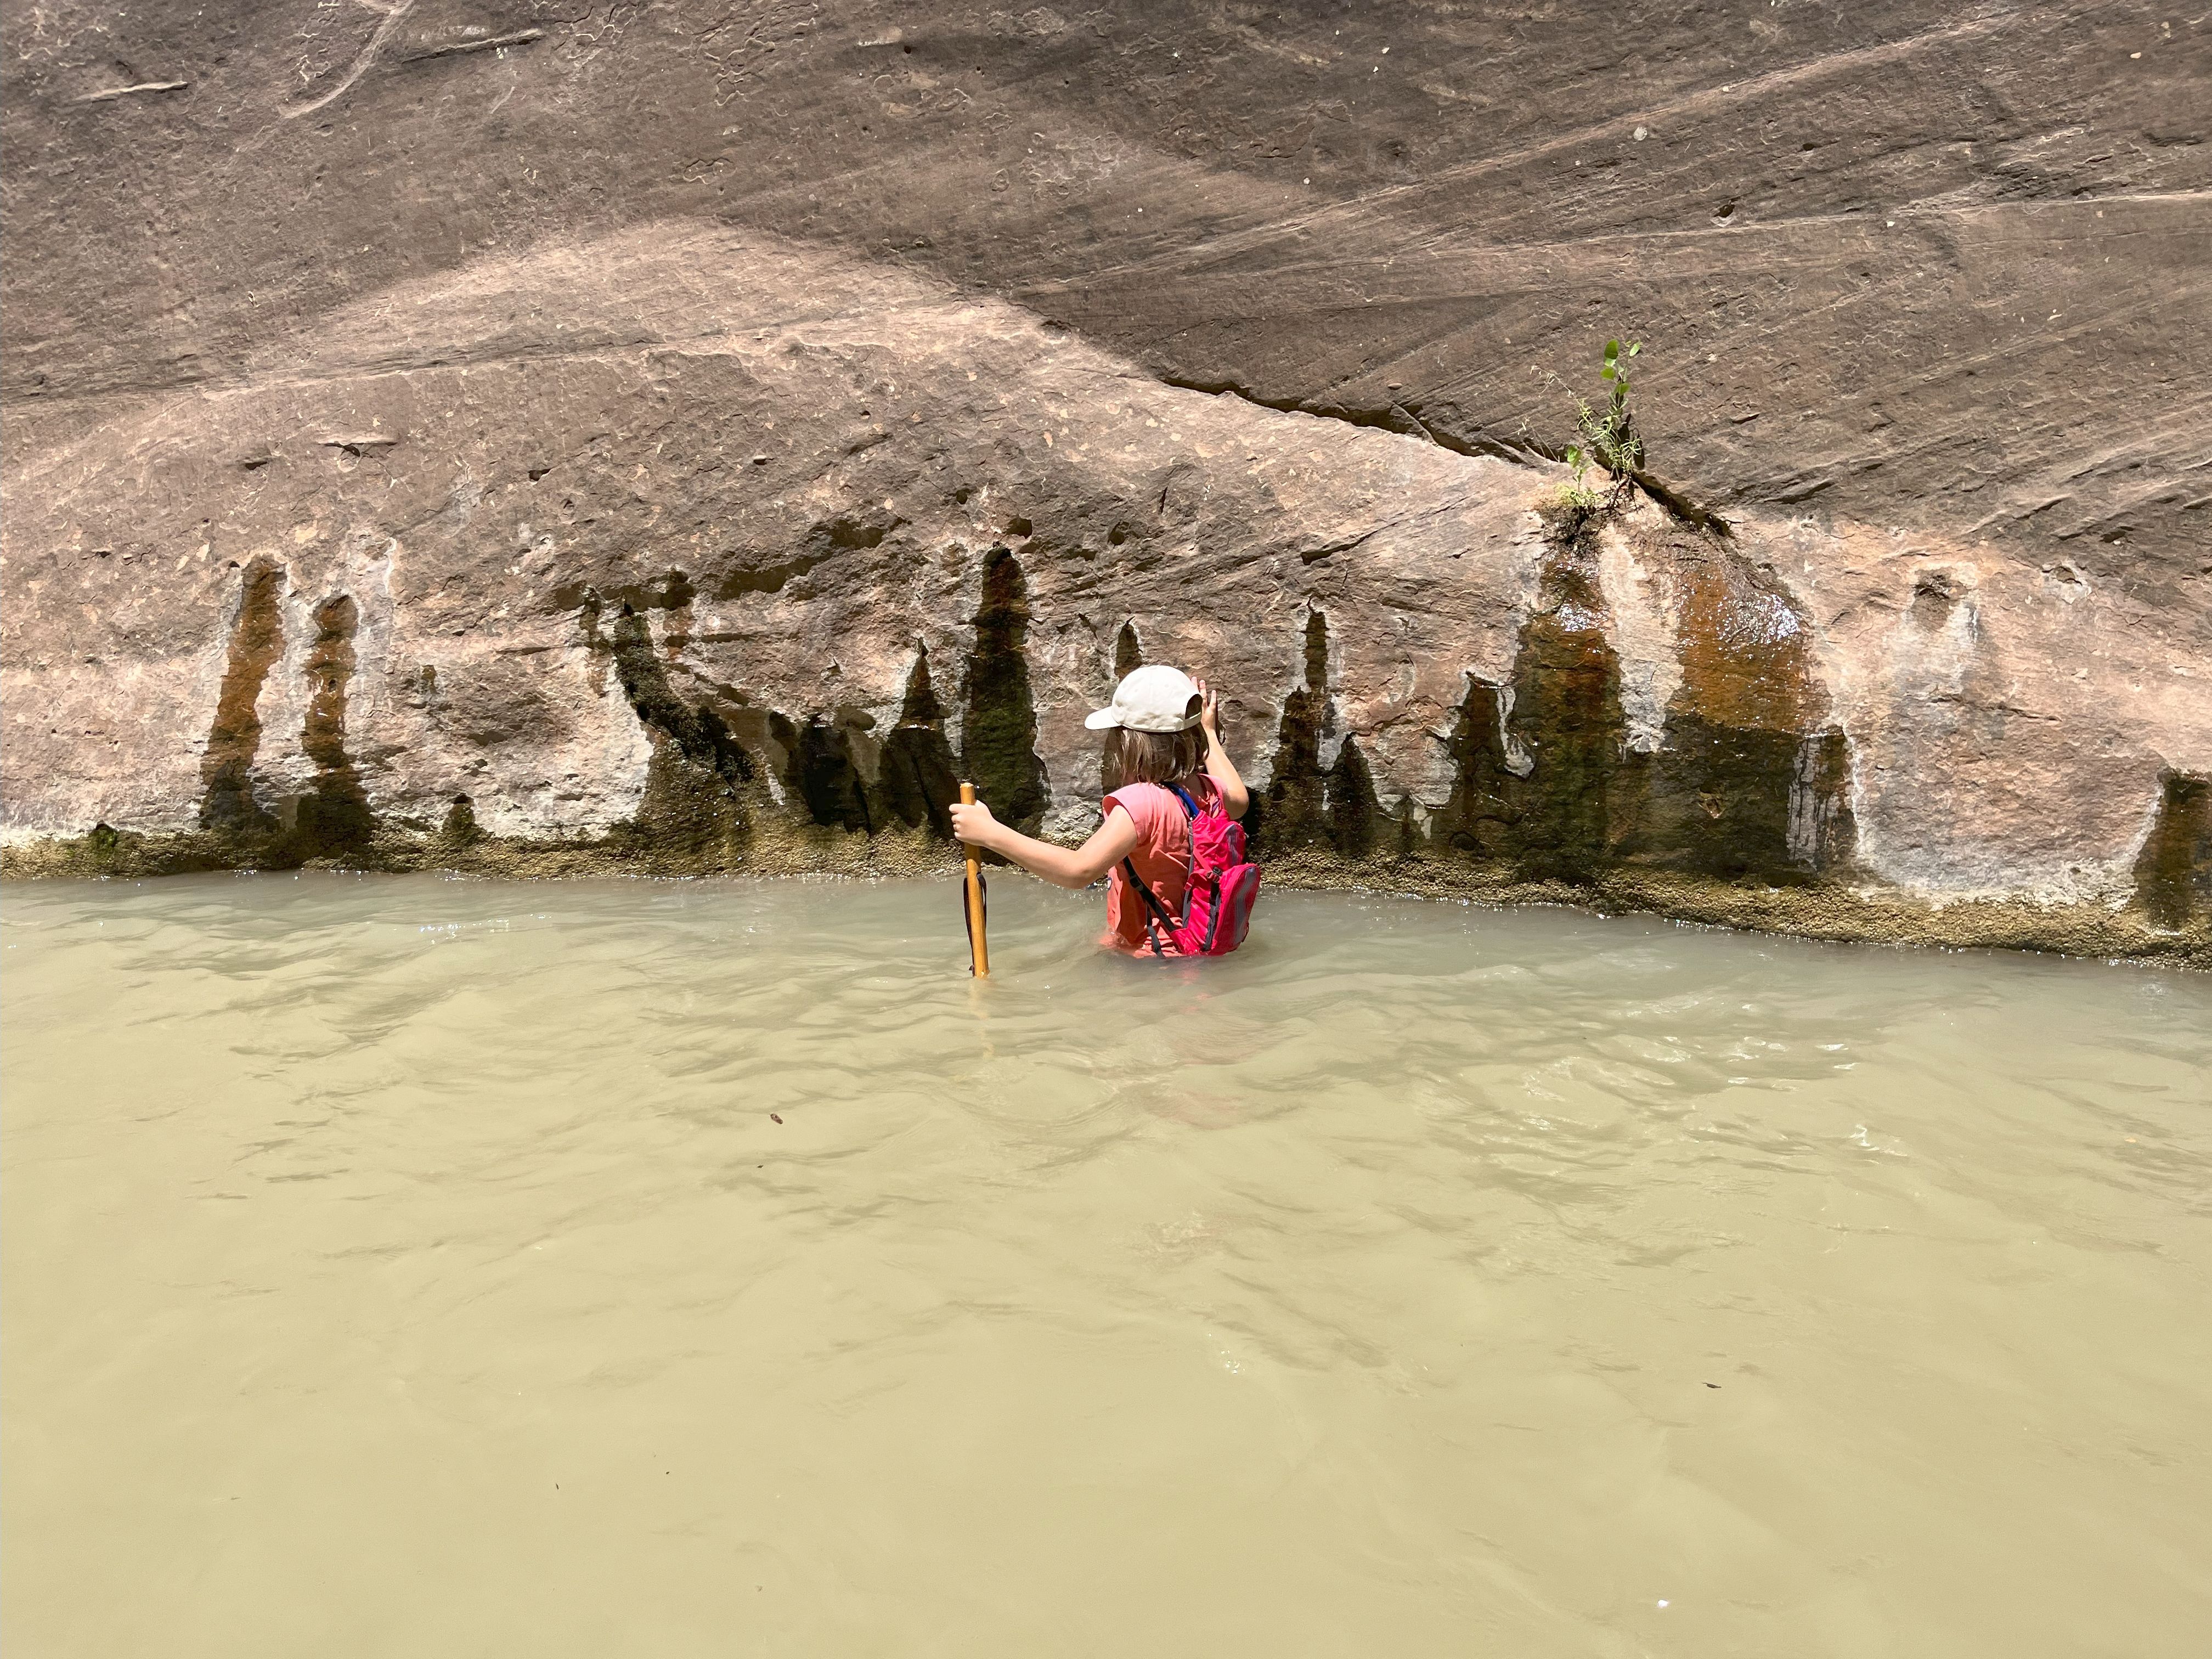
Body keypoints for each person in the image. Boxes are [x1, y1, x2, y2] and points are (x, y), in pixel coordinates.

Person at [949, 664, 1250, 953]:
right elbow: (1240, 798)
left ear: (1129, 743)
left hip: (1151, 963)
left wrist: (990, 834)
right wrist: (1208, 732)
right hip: (1196, 943)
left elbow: (1078, 871)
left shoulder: (1142, 804)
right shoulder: (1208, 792)